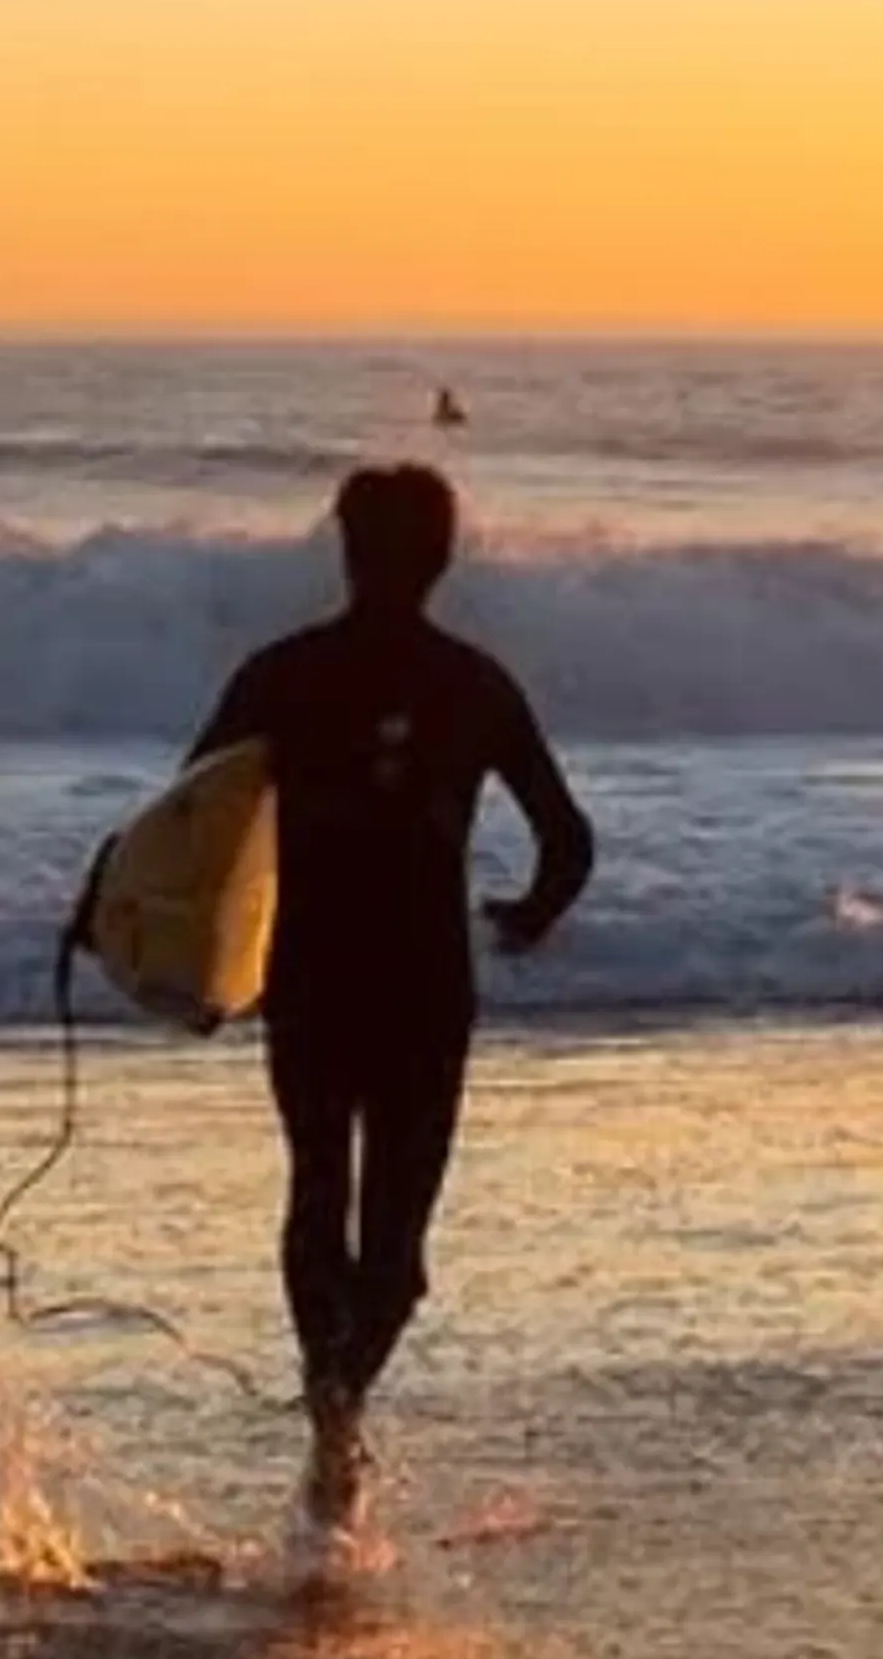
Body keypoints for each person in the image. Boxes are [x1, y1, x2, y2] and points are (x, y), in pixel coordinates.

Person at [182, 464, 592, 1533]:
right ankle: (342, 1404)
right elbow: (569, 839)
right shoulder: (476, 684)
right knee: (397, 1260)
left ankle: (329, 1410)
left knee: (317, 1188)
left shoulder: (281, 675)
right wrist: (526, 918)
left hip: (312, 978)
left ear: (345, 548)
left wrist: (173, 950)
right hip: (423, 988)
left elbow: (188, 823)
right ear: (444, 556)